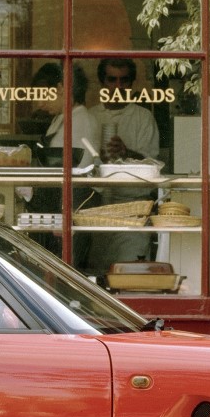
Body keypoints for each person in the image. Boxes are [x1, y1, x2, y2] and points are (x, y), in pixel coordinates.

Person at [85, 58, 161, 274]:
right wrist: (95, 156)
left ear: (131, 84)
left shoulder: (143, 117)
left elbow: (154, 165)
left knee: (130, 273)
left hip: (134, 209)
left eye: (123, 80)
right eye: (112, 80)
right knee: (98, 274)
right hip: (98, 208)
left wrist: (128, 153)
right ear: (102, 82)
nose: (117, 87)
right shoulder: (91, 116)